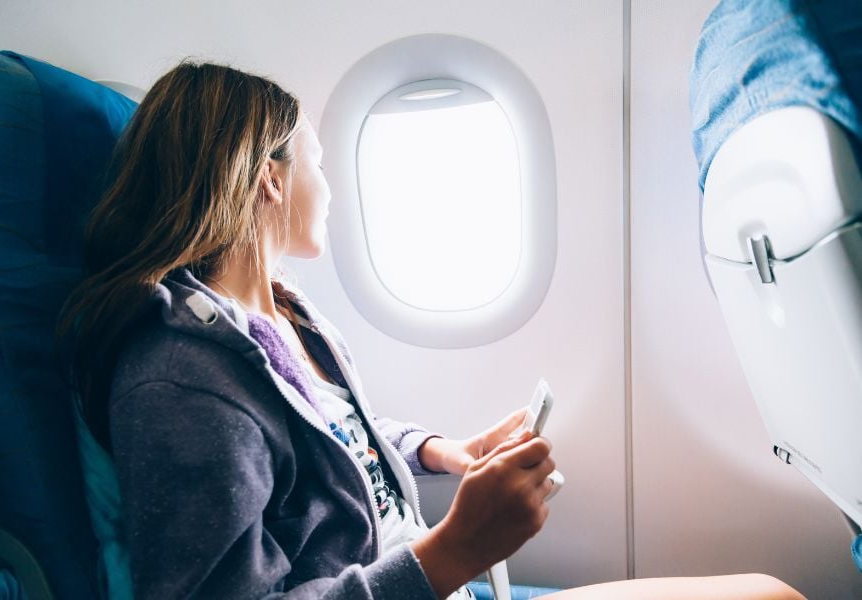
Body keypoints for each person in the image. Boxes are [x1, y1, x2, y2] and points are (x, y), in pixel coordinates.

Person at [57, 61, 805, 600]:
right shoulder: (180, 381)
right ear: (271, 179)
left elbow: (329, 433)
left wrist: (442, 452)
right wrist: (452, 550)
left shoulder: (281, 316)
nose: (331, 186)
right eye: (318, 160)